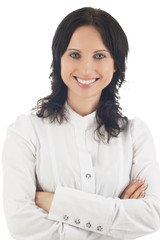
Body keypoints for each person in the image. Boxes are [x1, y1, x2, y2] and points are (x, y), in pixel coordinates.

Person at [2, 7, 160, 240]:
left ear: (115, 63)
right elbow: (21, 225)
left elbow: (152, 214)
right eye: (75, 54)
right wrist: (116, 223)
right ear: (59, 60)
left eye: (100, 55)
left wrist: (58, 202)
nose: (86, 69)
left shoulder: (135, 135)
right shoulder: (26, 132)